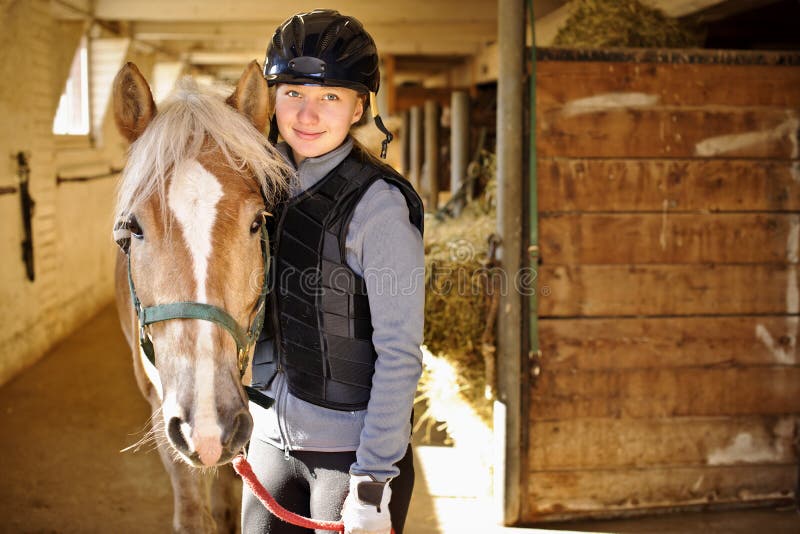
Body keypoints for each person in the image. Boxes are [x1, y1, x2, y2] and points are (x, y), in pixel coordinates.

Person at [242, 9, 425, 534]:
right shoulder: (258, 191)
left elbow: (399, 352)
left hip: (351, 459)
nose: (307, 114)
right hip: (270, 447)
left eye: (330, 97)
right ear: (272, 98)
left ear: (359, 107)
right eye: (293, 92)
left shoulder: (379, 209)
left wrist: (371, 485)